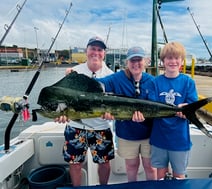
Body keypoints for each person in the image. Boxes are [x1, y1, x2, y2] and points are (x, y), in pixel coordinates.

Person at [55, 36, 114, 186]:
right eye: (92, 48)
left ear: (104, 53)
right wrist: (61, 113)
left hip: (101, 127)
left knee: (104, 163)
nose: (96, 52)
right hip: (76, 126)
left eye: (99, 49)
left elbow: (113, 104)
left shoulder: (112, 76)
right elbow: (62, 98)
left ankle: (103, 187)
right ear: (86, 51)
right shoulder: (73, 72)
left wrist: (111, 115)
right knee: (75, 163)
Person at [99, 46, 157, 182]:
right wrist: (76, 75)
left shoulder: (153, 81)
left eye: (139, 60)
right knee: (131, 166)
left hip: (149, 134)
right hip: (126, 134)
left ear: (146, 62)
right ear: (127, 62)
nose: (136, 64)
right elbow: (99, 84)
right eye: (132, 60)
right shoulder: (117, 78)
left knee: (150, 167)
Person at [149, 42, 198, 179]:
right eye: (169, 58)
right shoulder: (155, 82)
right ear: (163, 61)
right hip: (159, 137)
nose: (173, 61)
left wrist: (186, 110)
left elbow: (193, 107)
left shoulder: (188, 82)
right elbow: (152, 106)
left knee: (179, 176)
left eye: (177, 58)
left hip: (179, 139)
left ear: (182, 61)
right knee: (160, 175)